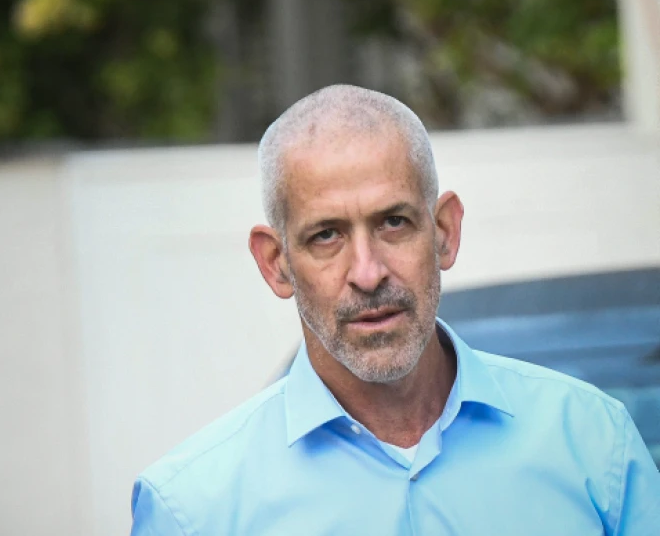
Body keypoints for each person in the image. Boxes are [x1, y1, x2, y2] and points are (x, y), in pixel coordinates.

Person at [129, 85, 660, 535]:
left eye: (394, 222)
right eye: (327, 235)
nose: (367, 272)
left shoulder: (592, 444)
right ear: (277, 264)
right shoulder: (193, 510)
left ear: (446, 233)